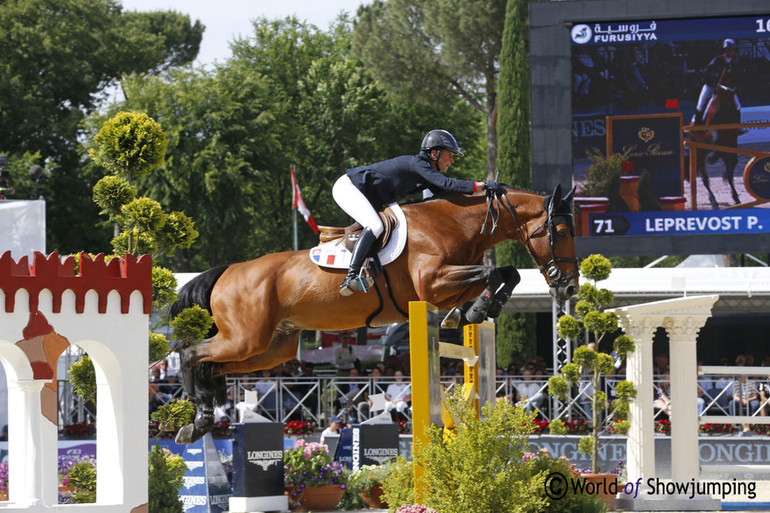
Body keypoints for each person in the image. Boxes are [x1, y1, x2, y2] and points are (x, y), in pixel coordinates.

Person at [332, 129, 494, 296]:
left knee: (383, 226)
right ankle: (351, 276)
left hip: (363, 193)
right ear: (434, 153)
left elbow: (445, 198)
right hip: (348, 187)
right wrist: (482, 185)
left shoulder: (426, 173)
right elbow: (448, 184)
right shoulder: (418, 164)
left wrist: (482, 199)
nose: (452, 160)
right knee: (375, 225)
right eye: (450, 155)